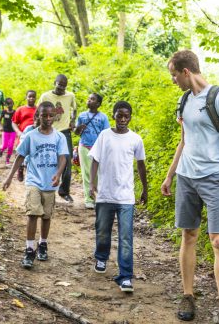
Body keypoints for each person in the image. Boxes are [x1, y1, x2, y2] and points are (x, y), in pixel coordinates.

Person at [160, 50, 219, 324]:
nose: (173, 80)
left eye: (174, 74)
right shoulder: (184, 100)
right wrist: (170, 175)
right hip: (187, 177)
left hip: (216, 178)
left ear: (186, 72)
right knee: (189, 235)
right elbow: (184, 141)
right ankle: (188, 295)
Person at [89, 101, 147, 293]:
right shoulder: (105, 135)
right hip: (105, 194)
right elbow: (95, 159)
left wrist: (145, 189)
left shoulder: (135, 139)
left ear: (130, 117)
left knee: (126, 237)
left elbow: (140, 165)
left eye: (126, 116)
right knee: (103, 231)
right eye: (119, 115)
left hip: (126, 197)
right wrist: (92, 183)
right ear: (113, 115)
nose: (122, 119)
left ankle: (125, 276)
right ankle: (101, 257)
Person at [2, 101, 68, 269]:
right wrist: (9, 177)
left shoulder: (59, 137)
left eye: (50, 115)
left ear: (55, 116)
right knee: (32, 213)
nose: (47, 118)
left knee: (46, 216)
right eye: (44, 115)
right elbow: (20, 156)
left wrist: (58, 174)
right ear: (38, 116)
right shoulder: (31, 136)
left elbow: (63, 158)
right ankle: (29, 249)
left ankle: (43, 244)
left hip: (50, 183)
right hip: (34, 181)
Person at [38, 74, 77, 203]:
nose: (61, 88)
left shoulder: (70, 96)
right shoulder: (45, 96)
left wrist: (72, 120)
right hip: (49, 131)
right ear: (54, 83)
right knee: (48, 161)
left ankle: (64, 191)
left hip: (64, 132)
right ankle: (46, 189)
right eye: (59, 85)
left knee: (67, 161)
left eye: (64, 86)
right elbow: (38, 112)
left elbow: (74, 109)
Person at [74, 93, 110, 209]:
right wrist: (79, 128)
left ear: (98, 104)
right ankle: (88, 199)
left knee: (99, 173)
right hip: (84, 146)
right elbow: (76, 132)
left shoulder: (103, 117)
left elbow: (106, 133)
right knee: (86, 173)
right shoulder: (82, 115)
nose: (89, 100)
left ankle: (99, 197)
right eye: (88, 98)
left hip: (98, 148)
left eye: (92, 99)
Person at [13, 90, 38, 181]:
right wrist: (18, 131)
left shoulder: (38, 109)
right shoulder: (20, 109)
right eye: (29, 96)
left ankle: (31, 171)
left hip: (35, 136)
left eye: (33, 96)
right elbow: (14, 122)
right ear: (26, 97)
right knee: (21, 152)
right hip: (23, 135)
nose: (31, 98)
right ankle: (20, 169)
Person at [0, 98, 17, 165]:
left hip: (13, 131)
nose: (9, 105)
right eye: (8, 104)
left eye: (11, 103)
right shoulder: (4, 112)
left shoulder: (15, 112)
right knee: (4, 145)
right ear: (5, 104)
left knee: (10, 146)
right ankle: (1, 150)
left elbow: (17, 121)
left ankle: (7, 160)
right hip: (5, 131)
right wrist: (0, 126)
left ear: (13, 103)